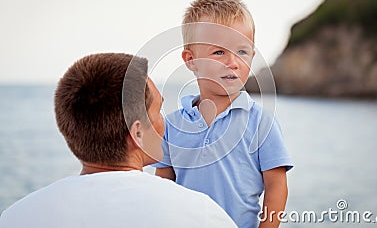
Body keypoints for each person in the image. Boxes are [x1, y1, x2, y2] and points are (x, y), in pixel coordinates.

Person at [0, 53, 237, 227]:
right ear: (138, 133)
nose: (166, 123)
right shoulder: (200, 214)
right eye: (157, 112)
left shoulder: (17, 217)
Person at [154, 0, 293, 228]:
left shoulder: (261, 122)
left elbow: (276, 188)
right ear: (191, 60)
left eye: (242, 51)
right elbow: (164, 186)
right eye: (219, 53)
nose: (233, 62)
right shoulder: (172, 125)